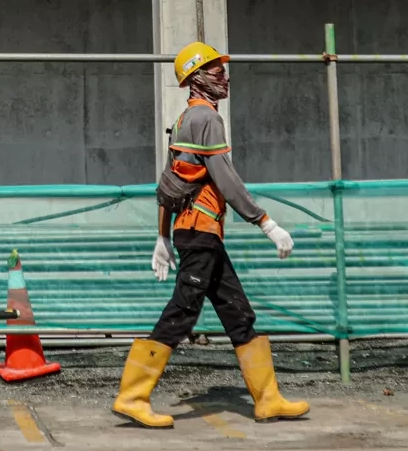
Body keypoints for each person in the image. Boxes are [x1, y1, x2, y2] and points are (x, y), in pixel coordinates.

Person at [112, 42, 310, 428]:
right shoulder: (207, 120)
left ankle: (267, 399)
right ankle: (132, 396)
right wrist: (265, 222)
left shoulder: (187, 119)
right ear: (198, 79)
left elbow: (168, 183)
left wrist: (163, 236)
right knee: (182, 313)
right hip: (201, 234)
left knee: (238, 314)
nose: (225, 76)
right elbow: (226, 179)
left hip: (199, 235)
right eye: (218, 71)